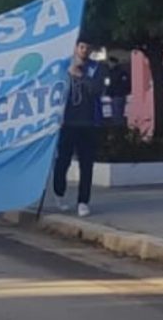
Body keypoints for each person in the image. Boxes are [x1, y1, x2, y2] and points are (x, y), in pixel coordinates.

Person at [53, 39, 107, 218]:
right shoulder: (64, 66)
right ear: (76, 48)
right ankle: (59, 192)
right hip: (67, 123)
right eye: (81, 47)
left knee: (86, 164)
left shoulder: (95, 68)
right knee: (63, 161)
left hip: (88, 123)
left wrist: (80, 76)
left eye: (87, 48)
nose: (84, 51)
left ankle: (83, 201)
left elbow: (97, 90)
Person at [107, 57, 130, 125]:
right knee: (115, 114)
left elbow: (125, 84)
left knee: (118, 114)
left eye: (111, 63)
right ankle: (116, 129)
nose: (109, 64)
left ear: (114, 63)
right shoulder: (110, 72)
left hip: (119, 95)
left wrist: (122, 92)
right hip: (114, 95)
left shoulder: (121, 72)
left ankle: (119, 129)